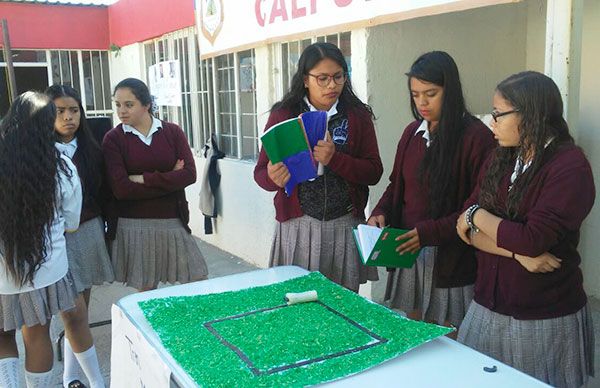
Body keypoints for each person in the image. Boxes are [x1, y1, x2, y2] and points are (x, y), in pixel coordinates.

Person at [456, 71, 595, 387]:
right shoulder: (503, 156)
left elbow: (532, 239)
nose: (492, 123)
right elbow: (464, 229)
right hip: (487, 304)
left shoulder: (569, 166)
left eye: (498, 114)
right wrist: (517, 254)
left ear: (530, 113)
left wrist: (477, 215)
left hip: (541, 315)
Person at [367, 51, 495, 328]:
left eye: (431, 93)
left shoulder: (476, 138)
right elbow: (397, 185)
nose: (422, 102)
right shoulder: (411, 132)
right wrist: (380, 211)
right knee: (415, 333)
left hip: (452, 260)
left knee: (450, 340)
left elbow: (477, 207)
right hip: (410, 253)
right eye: (415, 95)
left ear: (450, 91)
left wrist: (428, 233)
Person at [254, 42, 383, 292]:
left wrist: (336, 159)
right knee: (298, 308)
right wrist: (272, 176)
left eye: (338, 77)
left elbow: (374, 171)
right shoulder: (284, 115)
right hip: (298, 225)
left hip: (344, 223)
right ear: (305, 79)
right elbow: (261, 173)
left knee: (342, 306)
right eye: (322, 78)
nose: (332, 85)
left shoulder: (357, 116)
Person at [0, 91, 103, 388]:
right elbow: (72, 223)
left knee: (4, 335)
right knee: (37, 333)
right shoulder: (62, 165)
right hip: (47, 269)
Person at [103, 78, 207, 291]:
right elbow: (122, 189)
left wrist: (143, 178)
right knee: (147, 292)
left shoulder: (172, 132)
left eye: (128, 104)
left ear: (146, 104)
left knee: (197, 279)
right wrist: (170, 177)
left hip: (171, 220)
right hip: (133, 224)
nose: (121, 111)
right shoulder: (113, 139)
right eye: (117, 105)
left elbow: (189, 175)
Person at [46, 84, 114, 388]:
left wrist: (108, 227)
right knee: (72, 312)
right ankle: (94, 381)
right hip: (56, 239)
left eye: (74, 110)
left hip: (88, 231)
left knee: (79, 313)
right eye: (60, 111)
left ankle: (70, 377)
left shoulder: (92, 148)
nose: (68, 117)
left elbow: (105, 192)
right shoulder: (40, 152)